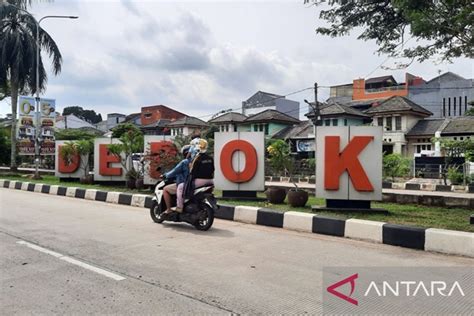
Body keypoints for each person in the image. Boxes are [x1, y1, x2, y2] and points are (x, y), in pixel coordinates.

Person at [162, 145, 191, 214]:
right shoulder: (196, 161)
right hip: (194, 184)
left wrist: (165, 175)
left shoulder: (184, 162)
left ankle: (169, 209)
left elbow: (174, 171)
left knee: (165, 189)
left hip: (184, 184)